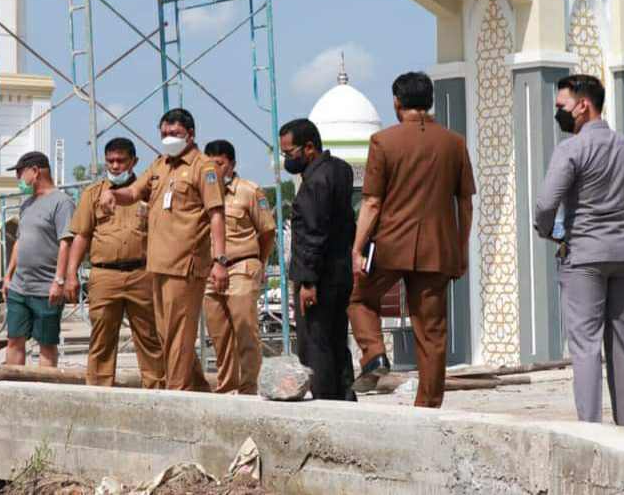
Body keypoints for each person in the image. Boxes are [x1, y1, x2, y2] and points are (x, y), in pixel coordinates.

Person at [348, 71, 475, 408]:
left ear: (397, 102)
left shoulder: (383, 142)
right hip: (438, 249)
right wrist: (460, 249)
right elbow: (465, 202)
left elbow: (372, 202)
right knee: (431, 332)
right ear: (429, 101)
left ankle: (374, 354)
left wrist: (358, 248)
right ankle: (428, 407)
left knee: (358, 297)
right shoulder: (454, 142)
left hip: (390, 245)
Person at [533, 74, 624, 429]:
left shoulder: (571, 149)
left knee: (585, 345)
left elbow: (545, 203)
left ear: (583, 105)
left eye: (561, 106)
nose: (559, 113)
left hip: (583, 256)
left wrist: (548, 231)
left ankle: (591, 428)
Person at [98, 108, 227, 391]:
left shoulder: (203, 168)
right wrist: (112, 194)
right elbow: (133, 193)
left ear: (190, 134)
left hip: (185, 265)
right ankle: (198, 390)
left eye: (175, 134)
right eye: (165, 133)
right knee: (165, 334)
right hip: (157, 264)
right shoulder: (160, 165)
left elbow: (216, 214)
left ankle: (176, 395)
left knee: (178, 334)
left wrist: (220, 260)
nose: (169, 138)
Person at [65, 137, 165, 389]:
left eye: (121, 160)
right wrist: (70, 274)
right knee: (101, 339)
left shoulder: (148, 193)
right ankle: (98, 392)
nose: (115, 165)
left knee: (149, 338)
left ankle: (157, 392)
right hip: (104, 275)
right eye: (110, 160)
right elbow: (81, 235)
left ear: (134, 161)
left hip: (141, 274)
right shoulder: (93, 194)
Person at [281, 118, 357, 401]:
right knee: (337, 339)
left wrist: (308, 281)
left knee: (316, 343)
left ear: (309, 147)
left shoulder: (315, 183)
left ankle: (326, 400)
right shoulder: (340, 170)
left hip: (320, 277)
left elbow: (312, 234)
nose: (287, 160)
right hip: (340, 272)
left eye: (289, 153)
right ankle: (344, 395)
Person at [202, 139, 276, 395]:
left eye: (219, 163)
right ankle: (227, 386)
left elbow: (267, 232)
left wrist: (259, 263)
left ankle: (248, 387)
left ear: (231, 164)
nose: (215, 169)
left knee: (245, 330)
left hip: (241, 266)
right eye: (209, 164)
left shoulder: (248, 191)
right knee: (219, 335)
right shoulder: (201, 194)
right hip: (210, 271)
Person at [2, 151, 76, 367]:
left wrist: (59, 281)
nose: (19, 180)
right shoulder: (27, 204)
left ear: (35, 171)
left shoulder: (62, 203)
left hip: (46, 289)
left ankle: (43, 392)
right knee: (14, 339)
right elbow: (19, 241)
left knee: (46, 343)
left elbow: (66, 242)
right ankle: (14, 389)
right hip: (19, 287)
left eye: (20, 174)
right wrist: (8, 275)